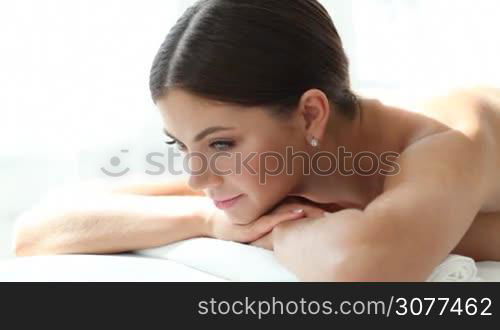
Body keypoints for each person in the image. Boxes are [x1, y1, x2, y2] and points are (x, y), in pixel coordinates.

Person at [13, 0, 500, 281]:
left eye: (220, 144)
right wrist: (208, 219)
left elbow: (363, 267)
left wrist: (279, 229)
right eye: (182, 147)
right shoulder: (278, 165)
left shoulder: (446, 139)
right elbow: (40, 228)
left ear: (311, 113)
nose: (197, 176)